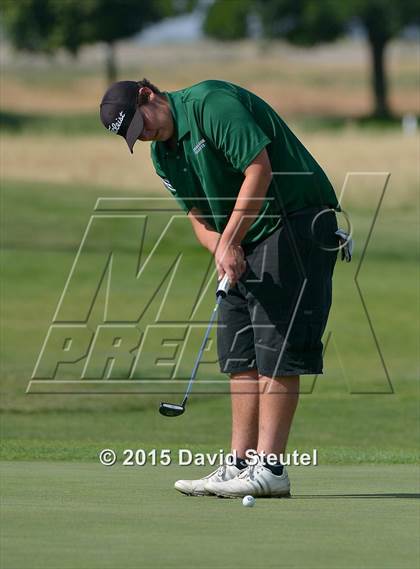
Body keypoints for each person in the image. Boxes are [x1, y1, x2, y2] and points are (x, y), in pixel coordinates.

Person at [100, 79, 341, 498]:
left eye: (143, 124)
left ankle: (271, 468)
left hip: (294, 220)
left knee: (277, 349)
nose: (147, 135)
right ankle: (240, 462)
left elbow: (259, 169)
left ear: (148, 95)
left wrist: (230, 240)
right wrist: (221, 248)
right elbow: (197, 216)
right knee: (239, 351)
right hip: (246, 236)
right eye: (135, 135)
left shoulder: (211, 104)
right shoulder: (163, 155)